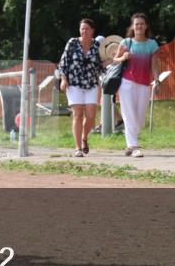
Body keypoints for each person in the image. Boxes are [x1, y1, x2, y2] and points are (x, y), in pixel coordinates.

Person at [113, 13, 161, 158]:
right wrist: (123, 57)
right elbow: (115, 60)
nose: (139, 26)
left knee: (139, 118)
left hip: (144, 84)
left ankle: (130, 143)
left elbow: (154, 65)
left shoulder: (152, 44)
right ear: (133, 27)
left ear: (146, 26)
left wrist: (157, 81)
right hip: (127, 83)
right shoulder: (126, 43)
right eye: (136, 24)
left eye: (141, 24)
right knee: (129, 115)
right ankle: (134, 146)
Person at [58, 18, 103, 157]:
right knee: (77, 114)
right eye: (82, 28)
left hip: (91, 84)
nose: (84, 31)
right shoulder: (72, 43)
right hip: (74, 83)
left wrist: (113, 59)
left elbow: (102, 65)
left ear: (92, 31)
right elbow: (63, 62)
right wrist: (63, 79)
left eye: (87, 29)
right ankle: (77, 147)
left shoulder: (97, 46)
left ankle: (84, 138)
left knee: (90, 115)